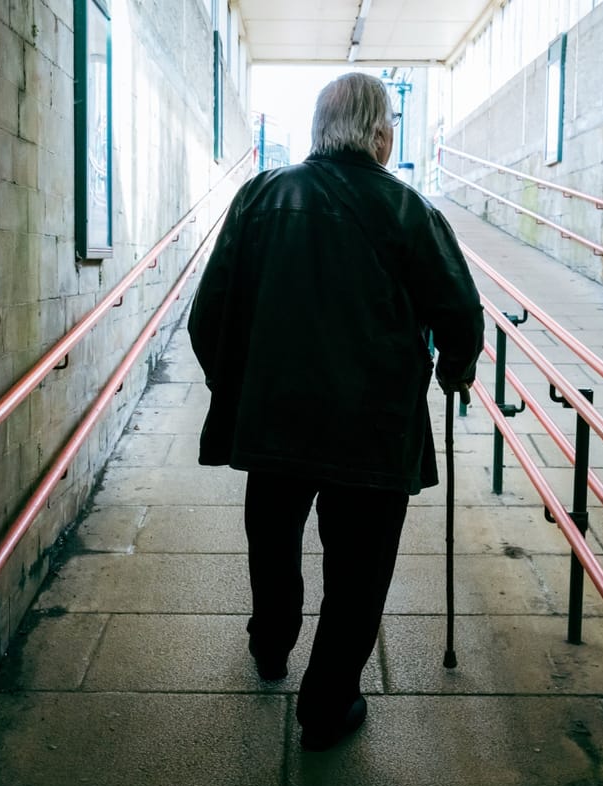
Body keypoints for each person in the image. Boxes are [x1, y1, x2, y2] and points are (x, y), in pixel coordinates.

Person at [187, 72, 484, 751]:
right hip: (373, 432)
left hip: (275, 424)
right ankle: (326, 707)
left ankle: (270, 643)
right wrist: (457, 368)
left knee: (272, 536)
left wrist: (240, 388)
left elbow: (208, 317)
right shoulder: (409, 210)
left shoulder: (261, 197)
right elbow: (460, 311)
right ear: (380, 136)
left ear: (322, 131)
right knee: (358, 569)